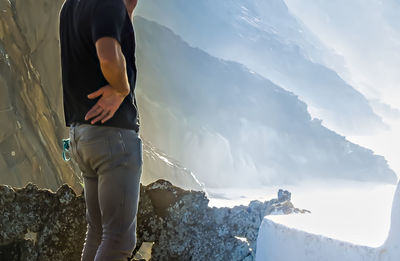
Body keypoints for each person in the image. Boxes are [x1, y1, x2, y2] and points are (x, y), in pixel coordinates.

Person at [59, 0, 141, 260]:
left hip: (83, 136)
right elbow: (107, 54)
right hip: (112, 137)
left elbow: (109, 35)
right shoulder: (107, 2)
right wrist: (122, 88)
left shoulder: (71, 5)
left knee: (97, 233)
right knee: (118, 241)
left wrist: (126, 12)